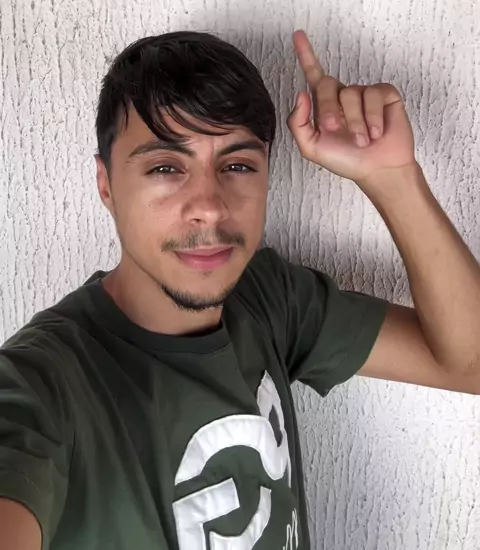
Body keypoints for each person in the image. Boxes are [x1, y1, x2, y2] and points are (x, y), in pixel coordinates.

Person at [1, 29, 479, 550]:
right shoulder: (43, 383)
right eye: (165, 168)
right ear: (106, 185)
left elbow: (469, 363)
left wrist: (392, 178)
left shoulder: (269, 298)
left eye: (236, 166)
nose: (209, 206)